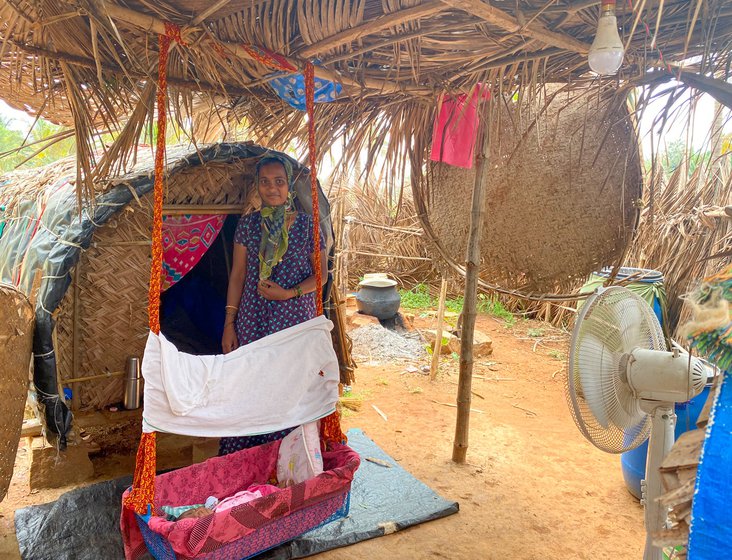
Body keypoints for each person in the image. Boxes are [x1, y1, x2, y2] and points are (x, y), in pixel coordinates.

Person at [219, 154, 326, 456]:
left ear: (289, 185)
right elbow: (238, 275)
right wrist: (229, 323)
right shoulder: (248, 226)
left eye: (279, 181)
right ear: (258, 186)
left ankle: (289, 461)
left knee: (291, 391)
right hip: (254, 322)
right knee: (250, 389)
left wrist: (288, 293)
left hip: (294, 324)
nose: (272, 189)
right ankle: (247, 461)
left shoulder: (307, 227)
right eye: (265, 182)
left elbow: (321, 276)